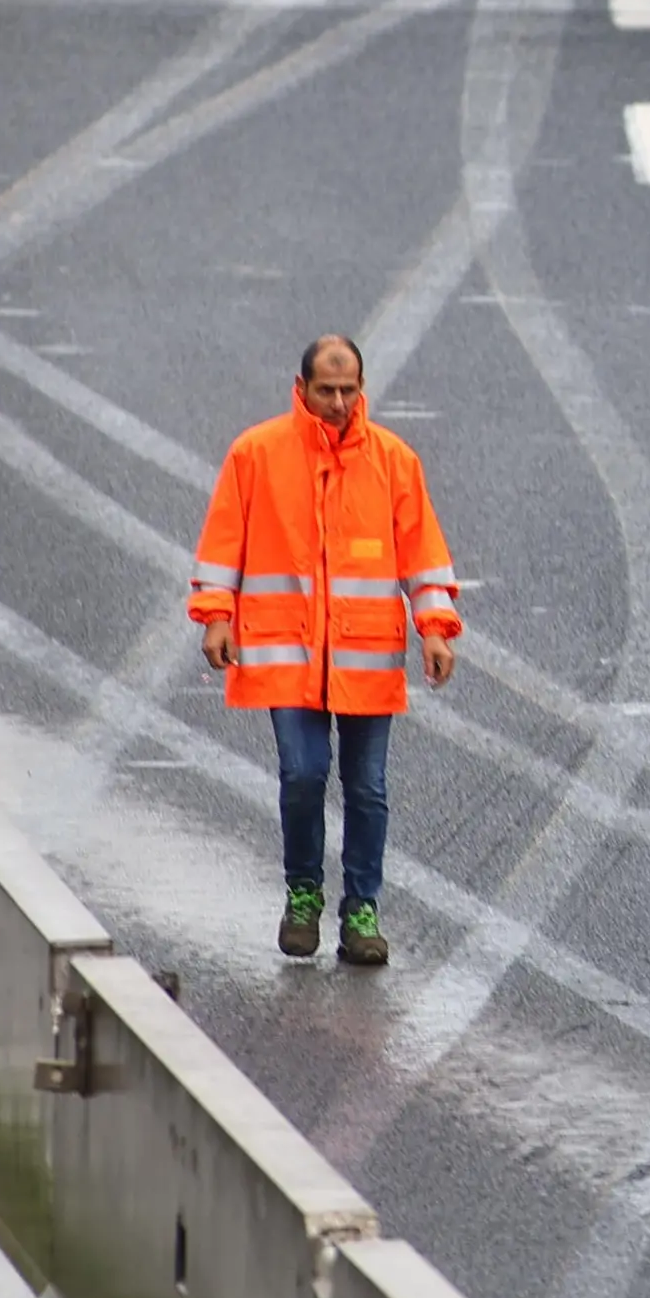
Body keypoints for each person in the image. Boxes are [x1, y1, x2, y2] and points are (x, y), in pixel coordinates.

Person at [188, 336, 459, 967]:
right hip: (288, 656)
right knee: (304, 775)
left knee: (366, 789)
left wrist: (437, 628)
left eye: (349, 391)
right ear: (301, 388)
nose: (339, 403)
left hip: (365, 657)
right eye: (326, 391)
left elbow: (422, 553)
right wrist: (216, 618)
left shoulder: (393, 461)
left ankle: (361, 910)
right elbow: (224, 541)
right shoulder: (257, 454)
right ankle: (303, 892)